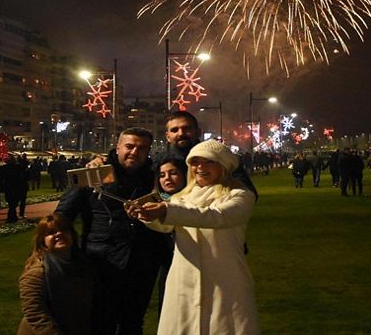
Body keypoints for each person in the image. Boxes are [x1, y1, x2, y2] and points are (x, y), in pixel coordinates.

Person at [128, 139, 260, 335]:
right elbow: (167, 226)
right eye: (195, 162)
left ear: (223, 165)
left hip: (225, 278)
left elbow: (216, 216)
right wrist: (145, 215)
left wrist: (165, 210)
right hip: (184, 278)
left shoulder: (240, 195)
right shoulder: (181, 197)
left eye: (209, 162)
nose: (200, 168)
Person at [55, 127, 167, 334]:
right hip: (101, 260)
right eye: (130, 146)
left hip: (142, 262)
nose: (134, 152)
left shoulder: (156, 176)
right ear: (118, 147)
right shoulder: (95, 172)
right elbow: (64, 212)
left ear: (149, 151)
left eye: (142, 148)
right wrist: (49, 244)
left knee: (132, 322)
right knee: (100, 319)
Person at [18, 213, 94, 335]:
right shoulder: (36, 273)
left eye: (64, 230)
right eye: (51, 232)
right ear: (42, 241)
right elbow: (35, 313)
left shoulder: (82, 264)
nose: (59, 234)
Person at [163, 110, 257, 198]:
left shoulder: (219, 155)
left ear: (198, 132)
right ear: (167, 136)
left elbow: (248, 192)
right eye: (174, 130)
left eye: (187, 128)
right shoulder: (160, 162)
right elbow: (157, 194)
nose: (181, 133)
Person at [154, 155, 188, 314]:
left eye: (173, 173)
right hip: (168, 266)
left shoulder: (195, 201)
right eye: (162, 175)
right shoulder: (154, 203)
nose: (167, 178)